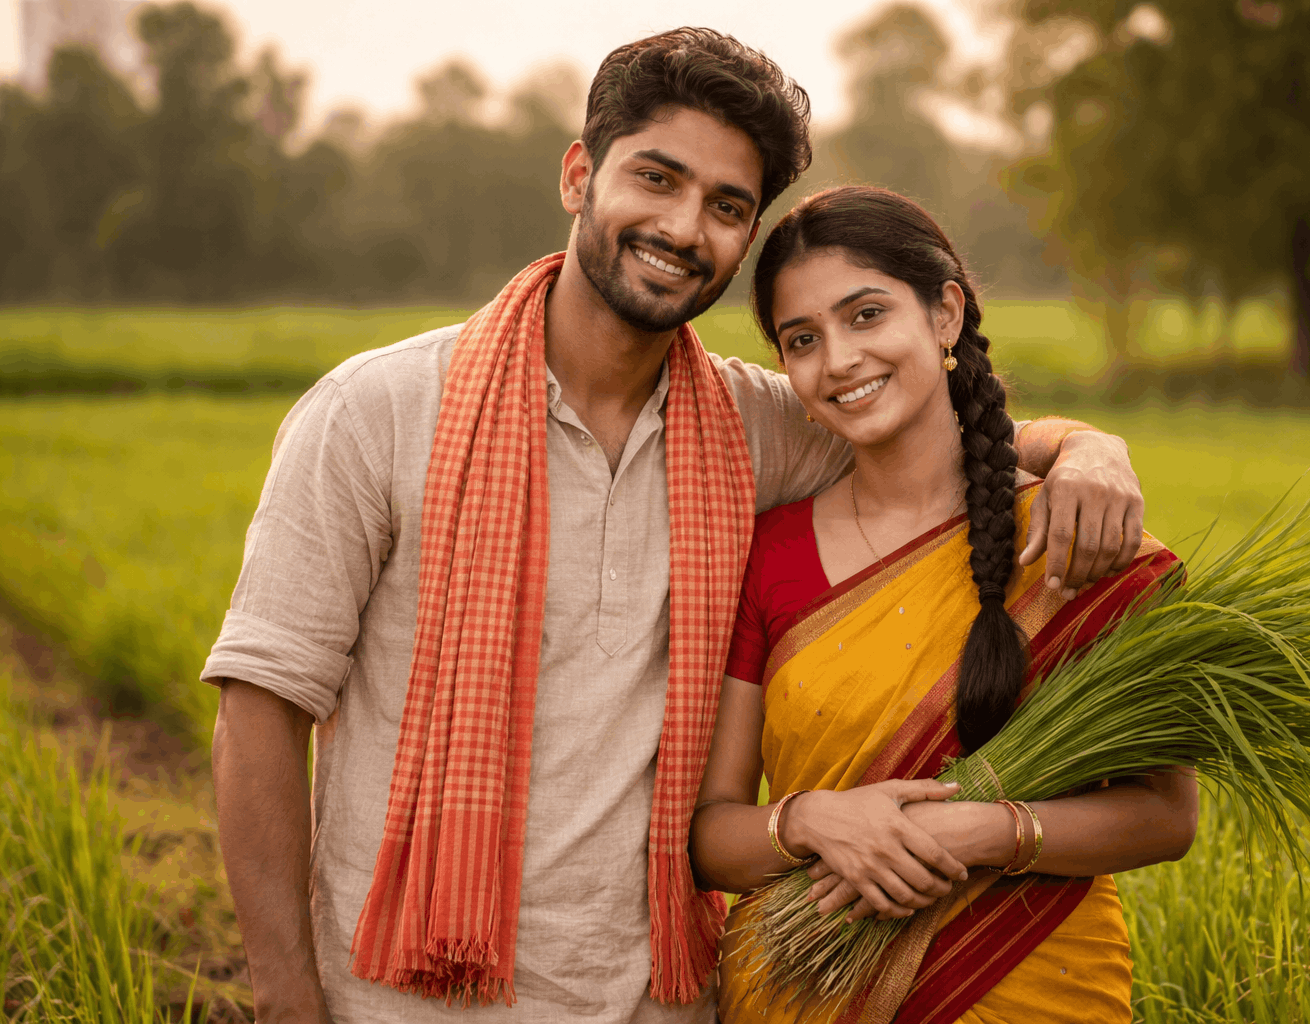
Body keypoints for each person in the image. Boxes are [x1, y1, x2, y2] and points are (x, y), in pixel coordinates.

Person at [204, 30, 1147, 1024]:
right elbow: (262, 707)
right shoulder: (377, 411)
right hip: (401, 998)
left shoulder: (760, 425)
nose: (683, 225)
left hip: (663, 998)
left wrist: (1089, 449)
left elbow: (948, 434)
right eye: (657, 177)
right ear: (579, 175)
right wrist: (284, 997)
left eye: (727, 207)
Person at [690, 186, 1199, 1024]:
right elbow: (711, 837)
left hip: (1035, 982)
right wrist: (813, 820)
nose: (840, 359)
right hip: (801, 990)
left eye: (866, 315)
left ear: (946, 314)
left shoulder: (1075, 538)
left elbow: (1166, 817)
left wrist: (987, 833)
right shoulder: (770, 554)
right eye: (802, 340)